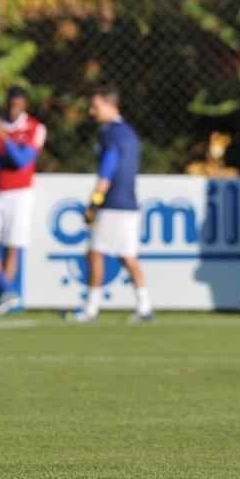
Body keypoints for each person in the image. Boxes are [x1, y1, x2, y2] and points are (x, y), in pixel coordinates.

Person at [68, 86, 152, 323]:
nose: (92, 112)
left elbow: (108, 170)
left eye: (96, 106)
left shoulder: (111, 134)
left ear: (109, 105)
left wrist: (94, 204)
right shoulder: (129, 133)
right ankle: (144, 306)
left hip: (113, 204)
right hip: (129, 203)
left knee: (95, 253)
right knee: (128, 256)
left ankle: (91, 308)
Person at [0, 86, 46, 315]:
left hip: (21, 193)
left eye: (18, 105)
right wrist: (4, 163)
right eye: (11, 104)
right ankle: (8, 289)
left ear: (24, 106)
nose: (14, 109)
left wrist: (4, 141)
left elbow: (23, 160)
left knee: (12, 246)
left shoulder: (35, 128)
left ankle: (3, 298)